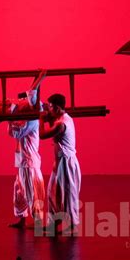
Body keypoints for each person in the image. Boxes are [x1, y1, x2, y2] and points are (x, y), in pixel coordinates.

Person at [39, 93, 81, 235]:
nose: (49, 109)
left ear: (57, 108)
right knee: (52, 193)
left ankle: (72, 227)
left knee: (68, 195)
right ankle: (54, 225)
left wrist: (41, 119)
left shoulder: (62, 124)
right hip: (60, 162)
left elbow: (42, 135)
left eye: (50, 107)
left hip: (66, 163)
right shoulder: (62, 119)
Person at [7, 94, 45, 229]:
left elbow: (16, 133)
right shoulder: (24, 121)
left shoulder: (32, 121)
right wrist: (12, 118)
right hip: (22, 162)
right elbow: (13, 133)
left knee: (32, 193)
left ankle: (38, 223)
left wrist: (11, 113)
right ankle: (22, 219)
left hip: (29, 163)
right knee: (19, 192)